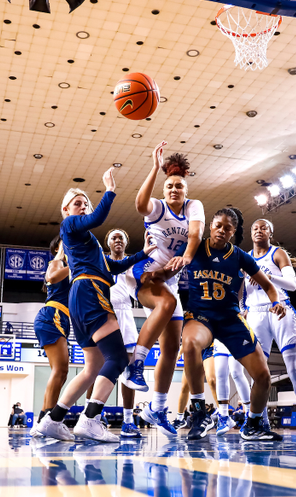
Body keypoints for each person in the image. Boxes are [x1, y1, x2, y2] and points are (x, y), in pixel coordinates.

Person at [143, 208, 286, 441]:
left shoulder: (240, 256)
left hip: (231, 318)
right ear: (210, 225)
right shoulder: (195, 247)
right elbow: (167, 273)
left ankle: (253, 424)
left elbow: (269, 286)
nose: (222, 230)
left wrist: (276, 302)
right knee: (189, 343)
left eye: (227, 228)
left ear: (233, 232)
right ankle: (199, 412)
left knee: (263, 377)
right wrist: (152, 274)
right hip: (202, 316)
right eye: (218, 225)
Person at [38, 168, 155, 442]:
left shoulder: (87, 244)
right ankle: (90, 419)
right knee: (116, 359)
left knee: (92, 368)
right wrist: (110, 189)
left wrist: (143, 253)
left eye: (85, 203)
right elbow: (98, 217)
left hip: (80, 297)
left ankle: (52, 420)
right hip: (90, 292)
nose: (83, 207)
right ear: (66, 210)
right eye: (77, 203)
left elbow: (112, 265)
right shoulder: (69, 225)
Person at [125, 142, 205, 437]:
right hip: (146, 274)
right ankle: (136, 363)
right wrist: (153, 168)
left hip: (169, 278)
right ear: (164, 188)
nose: (174, 190)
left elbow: (195, 233)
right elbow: (139, 204)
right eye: (169, 185)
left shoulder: (193, 206)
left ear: (185, 189)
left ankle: (156, 408)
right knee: (167, 304)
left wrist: (187, 256)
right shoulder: (157, 207)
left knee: (173, 347)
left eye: (179, 186)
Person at [243, 219, 296, 440]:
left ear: (271, 233)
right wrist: (241, 309)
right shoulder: (245, 258)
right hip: (255, 313)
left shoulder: (278, 253)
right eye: (255, 228)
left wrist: (266, 277)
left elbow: (292, 285)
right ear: (250, 232)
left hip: (280, 309)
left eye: (263, 227)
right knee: (257, 372)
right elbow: (240, 290)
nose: (259, 230)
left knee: (293, 369)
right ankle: (261, 420)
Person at [31, 235, 70, 438]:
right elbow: (51, 278)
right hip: (52, 316)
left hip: (62, 318)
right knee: (60, 370)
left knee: (61, 373)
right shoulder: (57, 262)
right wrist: (68, 255)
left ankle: (42, 421)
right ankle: (48, 420)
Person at [105, 228, 141, 439]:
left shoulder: (133, 263)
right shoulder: (101, 261)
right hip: (105, 313)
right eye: (114, 237)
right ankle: (94, 416)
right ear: (108, 243)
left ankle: (128, 421)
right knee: (97, 368)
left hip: (126, 314)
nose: (117, 240)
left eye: (121, 237)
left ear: (126, 243)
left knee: (130, 370)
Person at [172, 344, 218, 431]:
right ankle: (179, 419)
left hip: (209, 348)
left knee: (212, 380)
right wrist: (179, 353)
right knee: (185, 386)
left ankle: (223, 415)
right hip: (193, 350)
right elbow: (187, 338)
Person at [213, 338, 252, 436]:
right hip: (219, 336)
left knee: (236, 373)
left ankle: (249, 415)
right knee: (220, 374)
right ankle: (224, 416)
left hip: (235, 332)